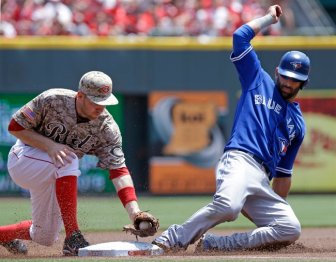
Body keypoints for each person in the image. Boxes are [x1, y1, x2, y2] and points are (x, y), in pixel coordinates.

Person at [153, 4, 310, 252]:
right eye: (286, 76)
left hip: (262, 178)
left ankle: (217, 245)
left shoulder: (298, 125)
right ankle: (174, 238)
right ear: (278, 71)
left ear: (304, 83)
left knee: (290, 227)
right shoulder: (257, 79)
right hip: (239, 160)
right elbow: (239, 37)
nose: (289, 82)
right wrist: (269, 19)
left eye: (295, 80)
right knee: (228, 207)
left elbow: (283, 174)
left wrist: (273, 212)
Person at [0, 71, 158, 256]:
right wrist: (50, 146)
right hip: (23, 159)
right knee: (69, 158)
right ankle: (73, 236)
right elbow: (15, 127)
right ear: (80, 96)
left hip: (51, 173)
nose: (101, 107)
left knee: (44, 236)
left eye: (105, 101)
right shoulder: (53, 99)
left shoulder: (106, 128)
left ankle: (4, 236)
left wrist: (135, 213)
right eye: (96, 101)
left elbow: (118, 170)